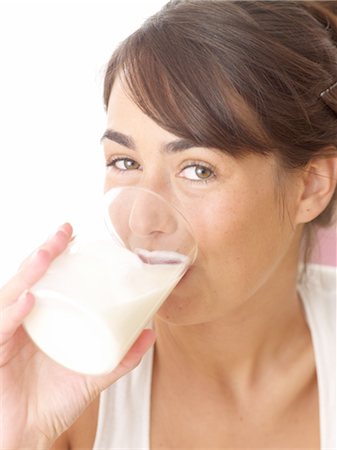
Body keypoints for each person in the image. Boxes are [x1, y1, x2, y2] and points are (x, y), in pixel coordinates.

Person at [1, 1, 336, 449]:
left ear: (309, 187)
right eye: (125, 161)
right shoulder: (66, 394)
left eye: (198, 169)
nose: (141, 219)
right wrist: (16, 432)